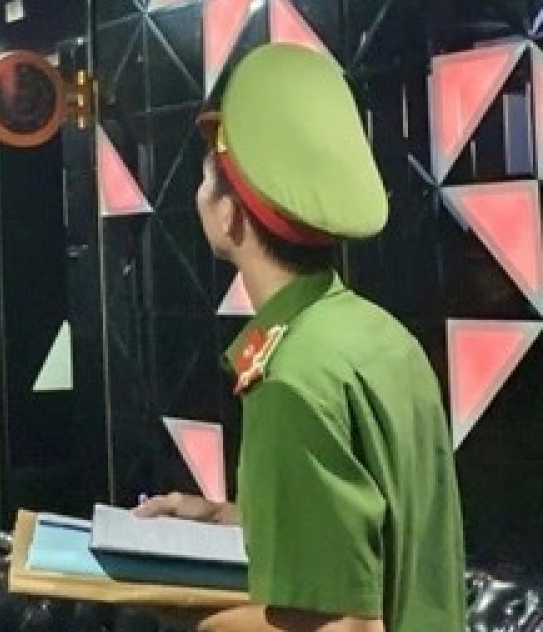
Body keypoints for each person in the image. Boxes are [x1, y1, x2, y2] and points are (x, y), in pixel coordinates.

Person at [136, 43, 465, 632]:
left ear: (231, 215)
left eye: (206, 180)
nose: (197, 195)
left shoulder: (291, 377)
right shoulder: (377, 334)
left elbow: (343, 625)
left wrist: (190, 615)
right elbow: (373, 535)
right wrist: (231, 518)